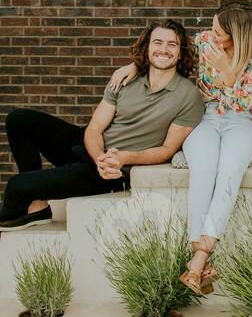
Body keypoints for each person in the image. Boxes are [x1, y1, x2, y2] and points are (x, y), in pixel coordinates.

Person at [111, 3, 252, 296]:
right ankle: (201, 261)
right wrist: (135, 65)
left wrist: (227, 72)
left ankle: (198, 260)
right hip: (204, 116)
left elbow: (242, 103)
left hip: (238, 121)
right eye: (212, 26)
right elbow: (166, 56)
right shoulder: (202, 42)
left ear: (236, 35)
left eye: (219, 31)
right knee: (204, 170)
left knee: (229, 174)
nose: (212, 33)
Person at [0, 20, 204, 230]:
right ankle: (38, 205)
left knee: (17, 187)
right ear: (147, 48)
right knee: (18, 119)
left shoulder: (188, 96)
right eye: (157, 42)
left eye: (172, 44)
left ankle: (18, 209)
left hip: (112, 173)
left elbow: (167, 149)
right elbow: (95, 128)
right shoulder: (125, 79)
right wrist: (99, 157)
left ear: (181, 53)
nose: (163, 49)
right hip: (91, 149)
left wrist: (122, 158)